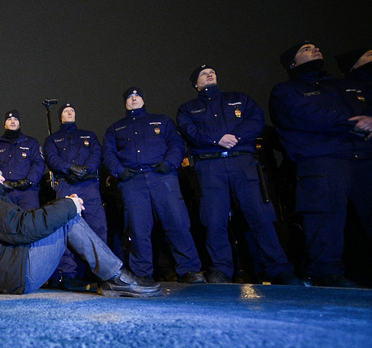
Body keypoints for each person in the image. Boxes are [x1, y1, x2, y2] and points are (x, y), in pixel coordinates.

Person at [0, 160, 160, 297]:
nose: (2, 177)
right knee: (67, 218)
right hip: (15, 275)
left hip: (12, 272)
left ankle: (113, 275)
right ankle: (115, 277)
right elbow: (22, 228)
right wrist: (68, 207)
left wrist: (62, 205)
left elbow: (22, 224)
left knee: (63, 214)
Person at [177, 64, 302, 285]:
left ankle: (278, 268)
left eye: (212, 72)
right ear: (195, 84)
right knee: (214, 220)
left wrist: (234, 136)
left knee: (260, 216)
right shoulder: (188, 108)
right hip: (210, 167)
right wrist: (216, 140)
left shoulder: (239, 99)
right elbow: (190, 131)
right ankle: (221, 269)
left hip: (242, 162)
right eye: (203, 75)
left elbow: (256, 121)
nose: (209, 75)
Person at [269, 42, 372, 287]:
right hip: (322, 161)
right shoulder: (287, 90)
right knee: (325, 218)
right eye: (306, 49)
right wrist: (352, 123)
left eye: (315, 46)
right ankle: (327, 273)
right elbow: (306, 115)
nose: (314, 49)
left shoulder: (345, 85)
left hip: (363, 157)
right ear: (292, 62)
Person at [103, 87, 204, 284]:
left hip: (162, 178)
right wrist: (121, 172)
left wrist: (169, 164)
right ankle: (142, 273)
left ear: (143, 99)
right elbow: (108, 153)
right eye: (130, 97)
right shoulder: (116, 128)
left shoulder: (162, 121)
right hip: (133, 181)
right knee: (137, 229)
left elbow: (176, 144)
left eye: (137, 96)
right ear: (125, 103)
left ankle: (190, 269)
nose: (134, 99)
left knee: (177, 223)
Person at [43, 103, 110, 284]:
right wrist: (70, 168)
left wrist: (85, 170)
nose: (70, 112)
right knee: (66, 229)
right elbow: (51, 158)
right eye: (66, 111)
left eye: (72, 110)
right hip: (66, 185)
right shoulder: (52, 139)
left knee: (98, 227)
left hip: (89, 185)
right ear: (60, 117)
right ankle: (68, 274)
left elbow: (97, 154)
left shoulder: (88, 135)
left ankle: (100, 272)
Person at [0, 109, 45, 210]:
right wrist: (0, 184)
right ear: (4, 124)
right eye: (9, 119)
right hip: (5, 192)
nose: (13, 122)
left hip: (28, 192)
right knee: (6, 223)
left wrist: (29, 181)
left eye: (15, 119)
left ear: (19, 123)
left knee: (30, 221)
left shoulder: (31, 143)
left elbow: (39, 163)